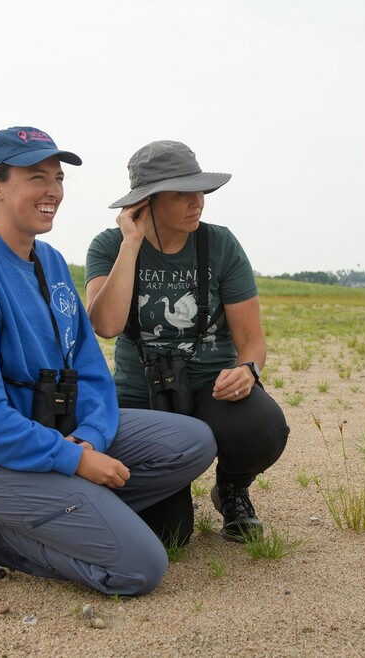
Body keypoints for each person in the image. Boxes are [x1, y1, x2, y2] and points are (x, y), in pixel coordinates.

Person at [0, 126, 216, 596]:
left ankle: (74, 510)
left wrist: (89, 438)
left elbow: (90, 371)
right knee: (139, 568)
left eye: (58, 178)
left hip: (60, 435)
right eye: (37, 177)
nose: (53, 191)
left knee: (194, 442)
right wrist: (74, 461)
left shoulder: (52, 262)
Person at [85, 140, 289, 543]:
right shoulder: (109, 246)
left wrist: (248, 370)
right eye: (182, 193)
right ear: (145, 202)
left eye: (200, 191)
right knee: (169, 533)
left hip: (211, 388)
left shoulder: (221, 244)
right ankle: (167, 490)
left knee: (263, 426)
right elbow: (105, 325)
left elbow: (252, 338)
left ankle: (231, 489)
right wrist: (131, 244)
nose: (198, 202)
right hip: (138, 394)